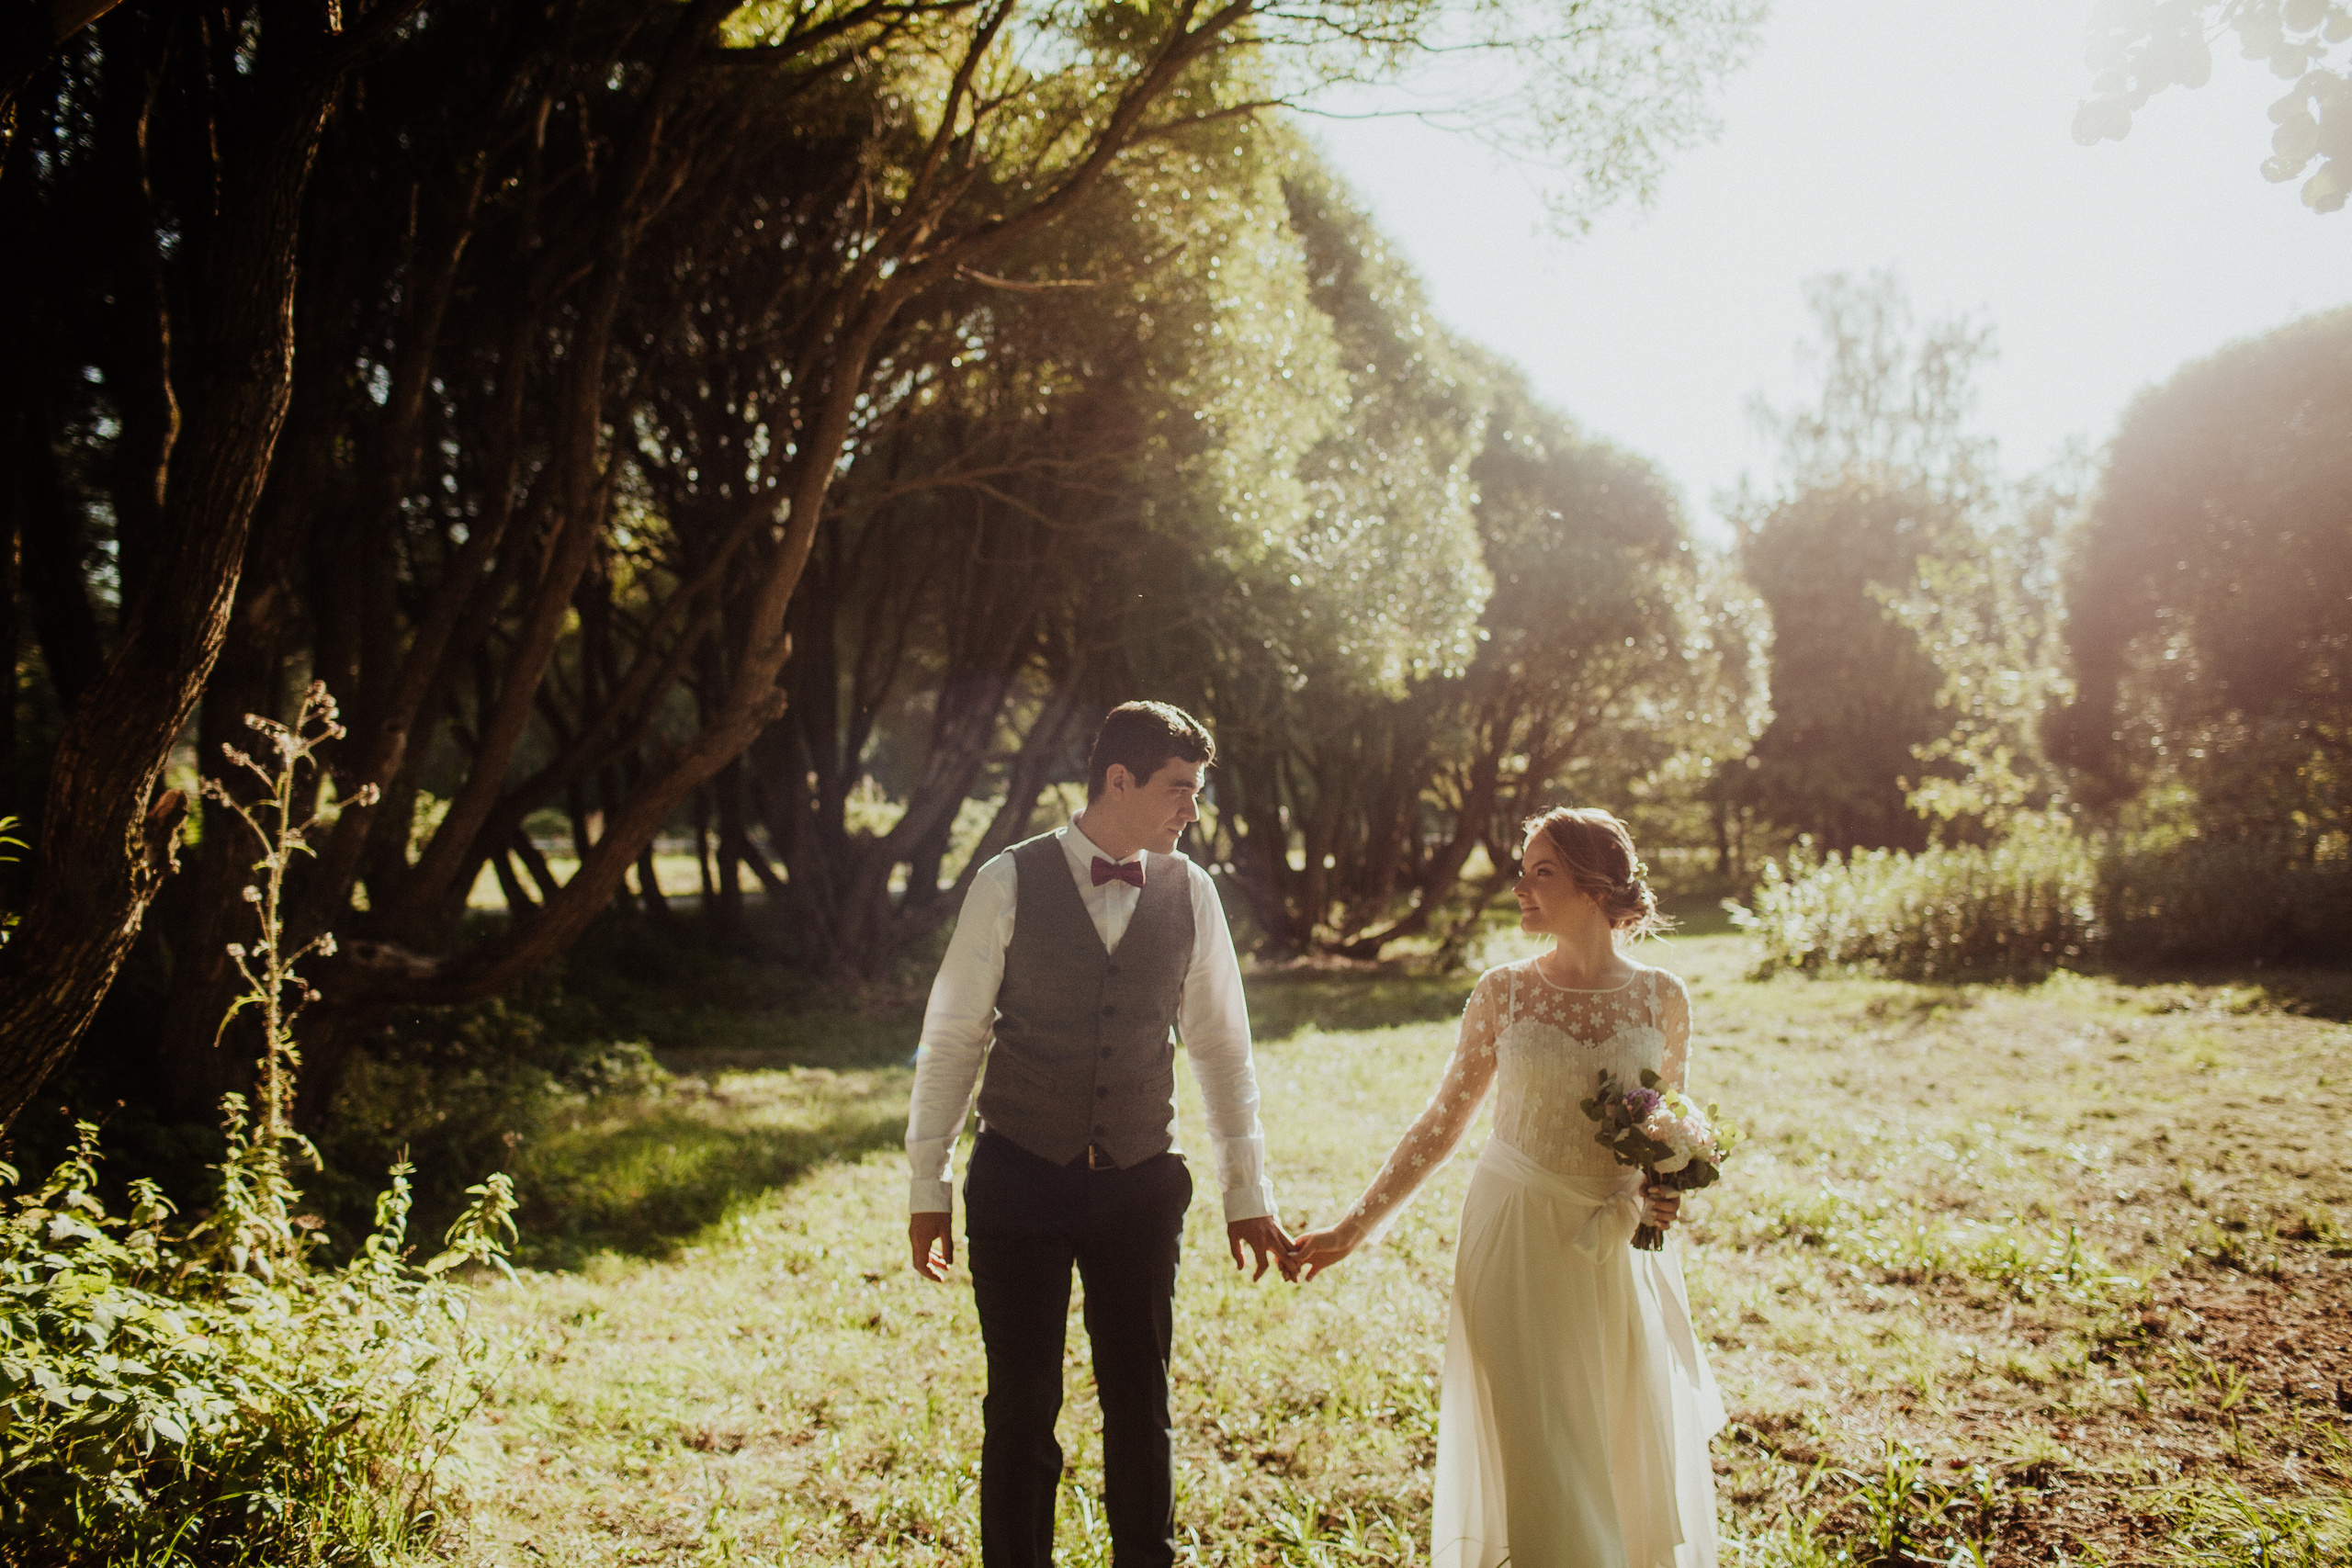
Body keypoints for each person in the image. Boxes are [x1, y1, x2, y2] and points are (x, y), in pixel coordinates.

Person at [903, 700, 1296, 1568]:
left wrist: (1246, 1192)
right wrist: (926, 1184)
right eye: (1178, 789)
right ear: (1117, 781)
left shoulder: (1192, 892)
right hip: (1018, 1180)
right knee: (1022, 1400)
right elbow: (953, 1037)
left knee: (1139, 1399)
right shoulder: (1006, 880)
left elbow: (1223, 1049)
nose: (1191, 811)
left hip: (1140, 1183)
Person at [1291, 807, 1727, 1568]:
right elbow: (1442, 1122)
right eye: (1522, 870)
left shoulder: (1665, 997)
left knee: (1617, 1444)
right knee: (1542, 1455)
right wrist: (1352, 1227)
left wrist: (1667, 1189)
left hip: (1618, 1250)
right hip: (1515, 1236)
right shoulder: (1505, 993)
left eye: (1541, 871)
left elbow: (1666, 1122)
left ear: (1595, 885)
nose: (1519, 886)